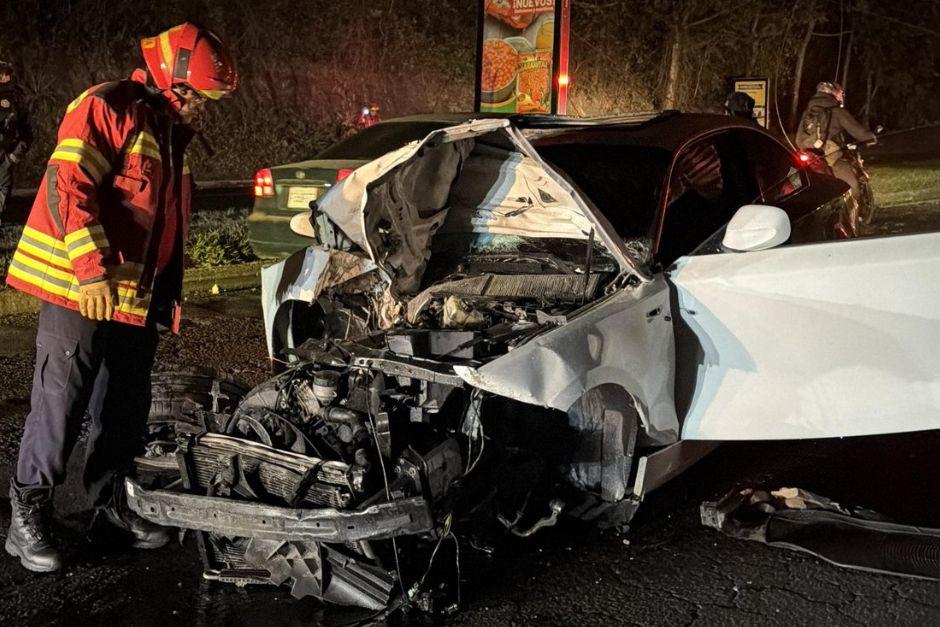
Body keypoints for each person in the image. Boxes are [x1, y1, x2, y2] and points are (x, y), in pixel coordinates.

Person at [4, 23, 236, 573]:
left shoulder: (166, 128)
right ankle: (27, 511)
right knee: (61, 402)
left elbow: (161, 226)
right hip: (77, 287)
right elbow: (68, 188)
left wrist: (162, 297)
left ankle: (108, 505)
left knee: (123, 405)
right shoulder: (108, 106)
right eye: (197, 96)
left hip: (132, 298)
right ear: (170, 78)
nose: (202, 107)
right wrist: (89, 275)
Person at [796, 81, 876, 199]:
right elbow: (857, 131)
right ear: (833, 93)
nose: (841, 97)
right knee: (851, 184)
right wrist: (871, 137)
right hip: (827, 155)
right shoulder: (836, 110)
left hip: (806, 154)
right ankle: (855, 213)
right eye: (840, 93)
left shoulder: (809, 111)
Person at [0, 59, 32, 222]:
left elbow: (27, 132)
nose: (6, 77)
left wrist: (12, 157)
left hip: (4, 159)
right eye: (3, 74)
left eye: (7, 74)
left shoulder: (17, 99)